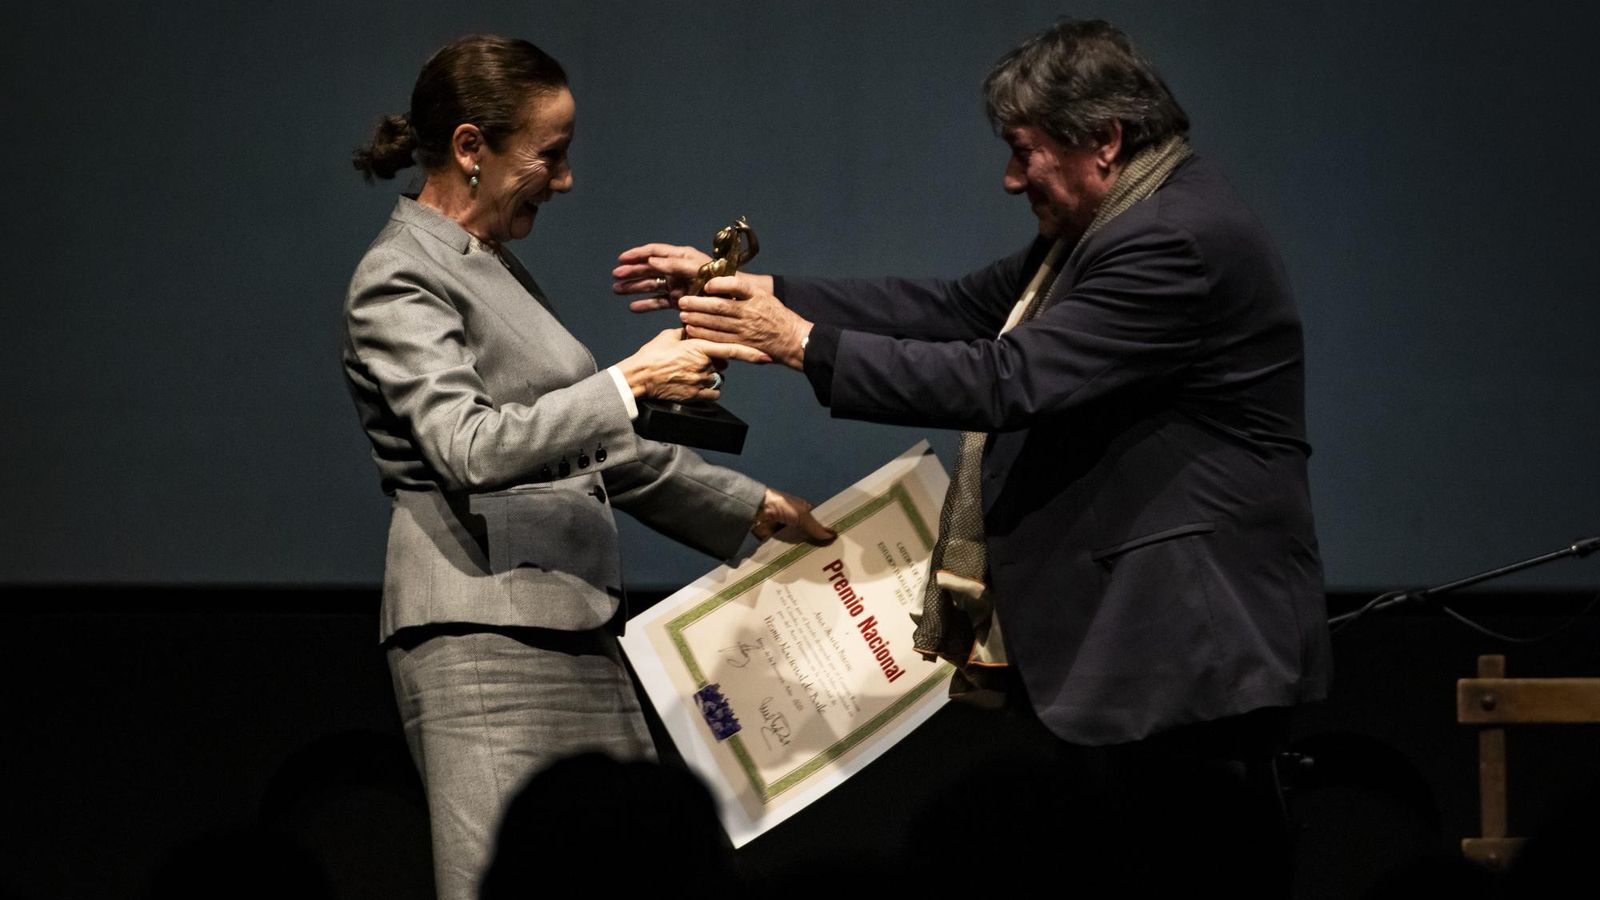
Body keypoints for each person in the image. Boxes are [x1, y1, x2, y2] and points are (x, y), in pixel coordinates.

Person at [616, 19, 1332, 887]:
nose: (1009, 177)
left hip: (1185, 661)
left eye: (1025, 151)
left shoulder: (1170, 240)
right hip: (1147, 659)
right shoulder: (1121, 220)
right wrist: (758, 293)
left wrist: (802, 343)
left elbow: (1007, 378)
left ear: (1103, 139)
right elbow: (958, 309)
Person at [344, 35, 830, 900]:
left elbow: (587, 447)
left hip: (567, 622)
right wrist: (632, 379)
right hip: (481, 634)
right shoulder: (399, 274)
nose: (566, 180)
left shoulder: (487, 267)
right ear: (469, 148)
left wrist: (752, 508)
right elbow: (470, 445)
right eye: (550, 155)